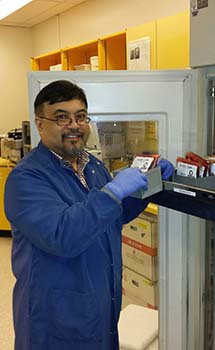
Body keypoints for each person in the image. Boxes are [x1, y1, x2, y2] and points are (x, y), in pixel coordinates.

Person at [4, 80, 174, 350]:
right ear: (40, 124)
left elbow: (111, 216)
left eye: (81, 116)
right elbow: (64, 235)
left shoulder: (91, 165)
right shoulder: (26, 179)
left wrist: (149, 185)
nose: (74, 125)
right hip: (54, 317)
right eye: (62, 117)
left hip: (100, 307)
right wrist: (114, 191)